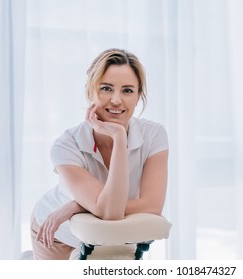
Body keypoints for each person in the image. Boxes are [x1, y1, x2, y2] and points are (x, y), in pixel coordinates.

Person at [30, 48, 169, 260]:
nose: (116, 100)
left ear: (139, 96)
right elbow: (109, 212)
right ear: (90, 92)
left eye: (128, 90)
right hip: (57, 235)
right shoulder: (66, 146)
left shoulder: (154, 135)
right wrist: (96, 206)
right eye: (106, 88)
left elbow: (151, 206)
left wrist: (77, 206)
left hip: (109, 235)